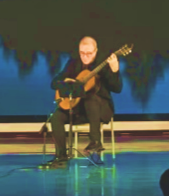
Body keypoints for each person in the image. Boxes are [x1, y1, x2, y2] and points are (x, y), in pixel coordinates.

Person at [43, 36, 122, 168]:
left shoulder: (104, 64)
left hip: (100, 110)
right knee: (56, 117)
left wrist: (115, 71)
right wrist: (66, 82)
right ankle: (61, 157)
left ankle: (95, 146)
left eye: (89, 53)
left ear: (96, 51)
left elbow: (117, 88)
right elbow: (54, 82)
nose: (85, 56)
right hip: (78, 110)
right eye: (82, 53)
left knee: (90, 99)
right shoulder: (73, 63)